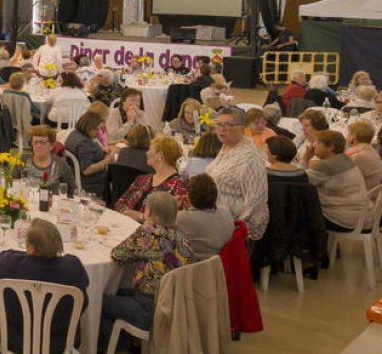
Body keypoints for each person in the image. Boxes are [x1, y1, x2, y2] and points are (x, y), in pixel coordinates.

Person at [100, 192, 192, 349]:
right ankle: (122, 343)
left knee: (97, 302)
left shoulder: (147, 233)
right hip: (174, 309)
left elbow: (118, 255)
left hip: (147, 309)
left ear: (148, 212)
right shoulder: (183, 239)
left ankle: (115, 347)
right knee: (117, 292)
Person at [0, 218, 89, 354]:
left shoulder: (8, 264)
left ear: (31, 248)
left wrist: (28, 256)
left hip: (16, 342)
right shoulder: (74, 268)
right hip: (60, 345)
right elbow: (83, 304)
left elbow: (4, 256)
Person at [205, 107, 269, 240]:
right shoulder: (227, 146)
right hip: (217, 222)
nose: (222, 129)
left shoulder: (250, 159)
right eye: (219, 124)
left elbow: (255, 202)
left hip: (236, 232)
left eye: (228, 125)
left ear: (242, 128)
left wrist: (236, 229)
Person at [114, 135, 187, 221]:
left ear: (160, 154)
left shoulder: (178, 185)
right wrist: (126, 213)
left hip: (150, 233)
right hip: (125, 225)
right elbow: (119, 203)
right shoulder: (142, 179)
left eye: (150, 149)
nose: (146, 153)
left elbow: (172, 222)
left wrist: (142, 217)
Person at [308, 129, 368, 231]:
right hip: (363, 215)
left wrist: (305, 159)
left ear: (330, 147)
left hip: (345, 219)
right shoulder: (345, 159)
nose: (314, 145)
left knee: (300, 212)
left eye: (318, 142)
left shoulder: (327, 165)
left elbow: (301, 181)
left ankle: (313, 246)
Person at [176, 174, 235, 260]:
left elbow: (157, 227)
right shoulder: (226, 213)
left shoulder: (181, 218)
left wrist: (173, 207)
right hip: (223, 266)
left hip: (195, 268)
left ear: (189, 196)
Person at [64, 110, 114, 199]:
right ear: (88, 127)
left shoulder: (74, 134)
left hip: (74, 176)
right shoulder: (85, 144)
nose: (98, 132)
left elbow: (83, 154)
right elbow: (86, 170)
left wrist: (101, 149)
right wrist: (106, 161)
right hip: (90, 185)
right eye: (96, 129)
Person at [15, 126, 76, 191]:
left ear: (51, 146)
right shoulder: (23, 160)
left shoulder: (61, 164)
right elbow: (12, 183)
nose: (38, 146)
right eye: (35, 142)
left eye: (43, 142)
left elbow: (72, 190)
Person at [345, 121, 382, 190]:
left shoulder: (359, 156)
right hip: (366, 192)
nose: (346, 136)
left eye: (349, 134)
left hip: (361, 196)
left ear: (353, 137)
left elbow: (343, 179)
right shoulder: (371, 150)